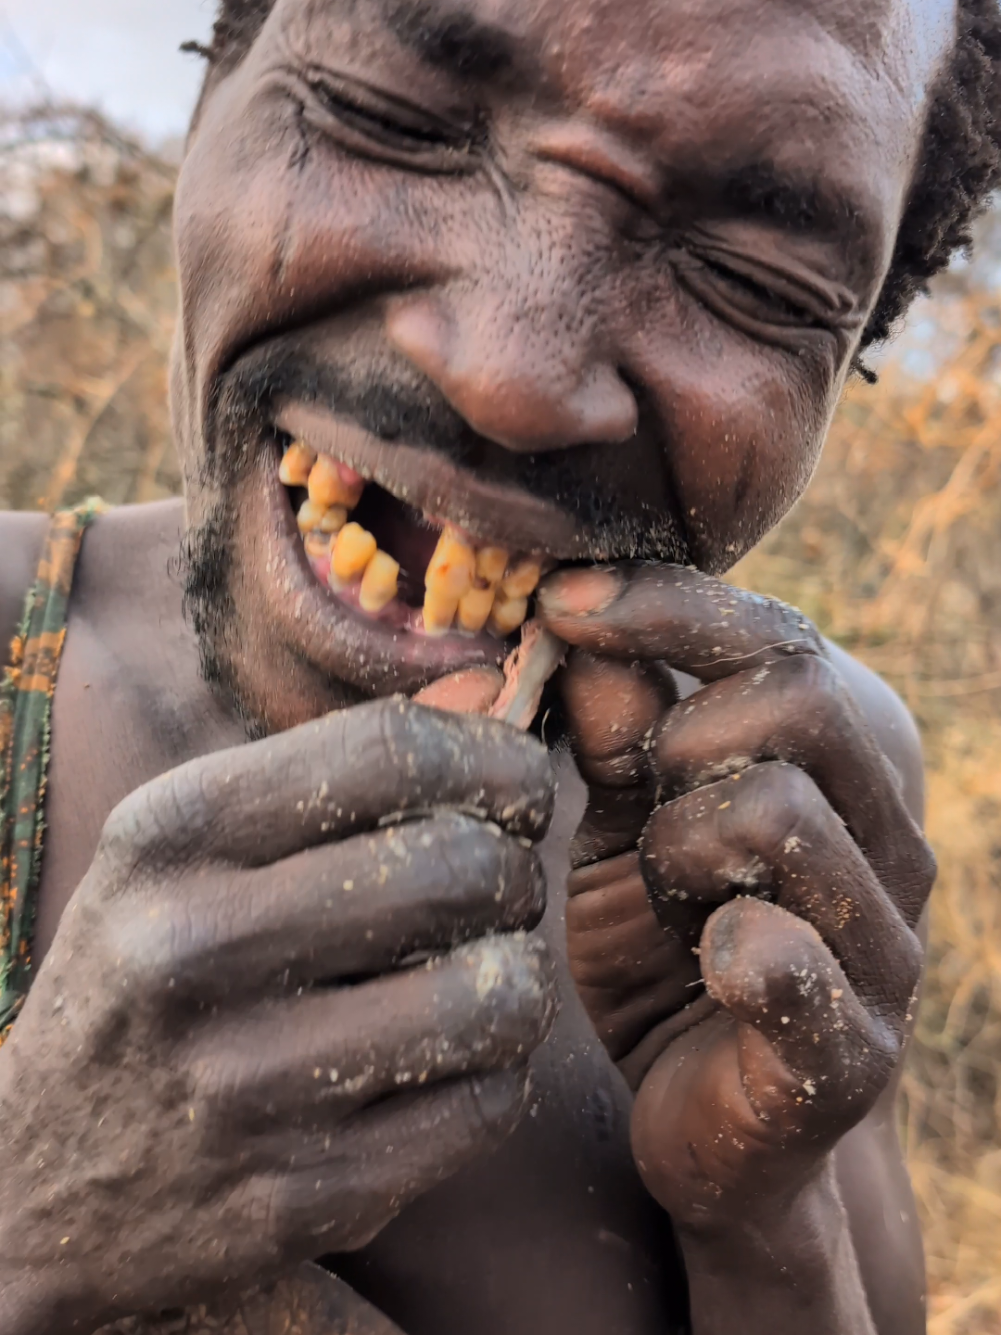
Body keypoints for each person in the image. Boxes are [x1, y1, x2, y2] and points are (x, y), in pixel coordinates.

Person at [1, 0, 999, 1331]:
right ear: (214, 97)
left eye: (754, 282)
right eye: (389, 120)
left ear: (850, 352)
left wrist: (760, 1211)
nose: (514, 379)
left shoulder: (787, 811)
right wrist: (32, 1211)